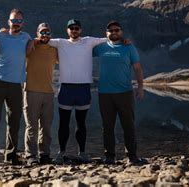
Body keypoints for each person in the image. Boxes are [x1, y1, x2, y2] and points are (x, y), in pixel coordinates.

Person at [47, 19, 108, 164]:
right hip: (66, 88)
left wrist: (124, 40)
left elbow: (108, 39)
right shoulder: (60, 42)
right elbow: (42, 40)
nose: (74, 30)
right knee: (64, 123)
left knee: (81, 123)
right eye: (71, 28)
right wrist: (31, 42)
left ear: (80, 30)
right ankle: (61, 152)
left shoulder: (88, 41)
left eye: (76, 28)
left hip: (83, 88)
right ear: (67, 30)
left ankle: (82, 152)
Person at [93, 21, 146, 165]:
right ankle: (110, 156)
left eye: (117, 30)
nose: (114, 32)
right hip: (104, 94)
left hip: (125, 93)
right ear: (106, 33)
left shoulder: (129, 47)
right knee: (107, 127)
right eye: (111, 30)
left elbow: (137, 68)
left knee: (128, 125)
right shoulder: (100, 48)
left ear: (121, 32)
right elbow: (82, 51)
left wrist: (140, 87)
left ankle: (132, 156)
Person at [0, 9, 32, 165]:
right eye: (13, 21)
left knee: (14, 121)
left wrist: (35, 41)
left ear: (22, 23)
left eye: (19, 21)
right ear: (9, 22)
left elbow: (34, 44)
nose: (16, 24)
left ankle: (10, 155)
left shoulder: (26, 37)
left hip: (16, 85)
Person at [24, 23, 58, 166]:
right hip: (31, 90)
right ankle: (31, 155)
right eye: (42, 32)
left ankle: (44, 154)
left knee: (46, 126)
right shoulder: (30, 46)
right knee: (31, 125)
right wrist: (32, 41)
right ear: (37, 33)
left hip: (49, 92)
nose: (45, 35)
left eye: (47, 32)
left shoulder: (54, 49)